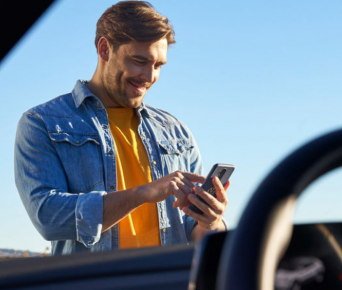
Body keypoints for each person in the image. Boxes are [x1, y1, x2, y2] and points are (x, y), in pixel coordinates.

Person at [14, 1, 229, 255]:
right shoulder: (43, 123)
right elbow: (47, 217)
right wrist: (144, 193)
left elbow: (196, 234)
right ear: (105, 49)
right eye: (139, 61)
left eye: (158, 66)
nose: (149, 77)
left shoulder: (177, 132)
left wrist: (212, 220)